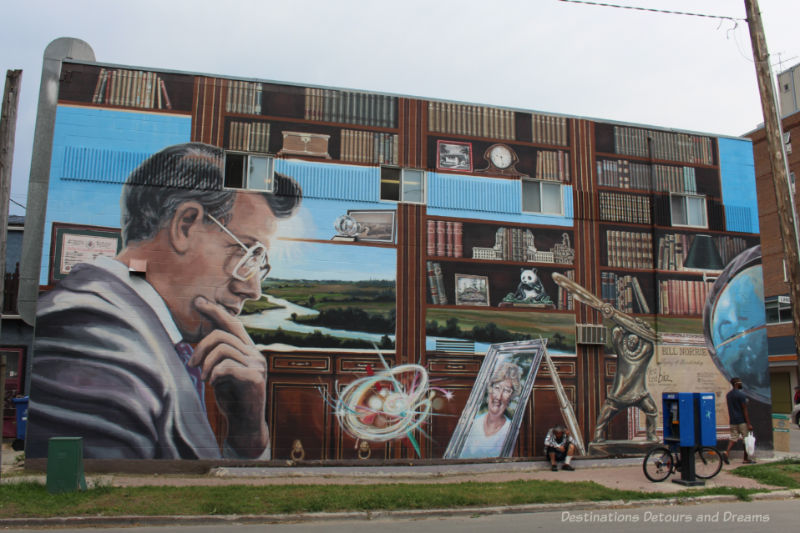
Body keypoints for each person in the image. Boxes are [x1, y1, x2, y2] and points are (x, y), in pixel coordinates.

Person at [26, 142, 302, 460]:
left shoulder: (132, 328)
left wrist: (248, 432)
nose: (253, 288)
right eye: (247, 252)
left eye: (259, 264)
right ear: (185, 225)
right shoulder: (96, 343)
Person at [459, 361, 522, 458]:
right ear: (490, 391)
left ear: (511, 398)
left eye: (506, 391)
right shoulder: (472, 425)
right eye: (497, 388)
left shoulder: (512, 431)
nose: (499, 396)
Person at [723, 377, 755, 465]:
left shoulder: (728, 395)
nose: (742, 384)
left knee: (733, 438)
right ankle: (745, 459)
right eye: (740, 383)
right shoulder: (741, 395)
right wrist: (748, 423)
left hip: (733, 421)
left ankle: (726, 452)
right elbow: (744, 409)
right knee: (746, 440)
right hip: (742, 421)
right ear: (737, 384)